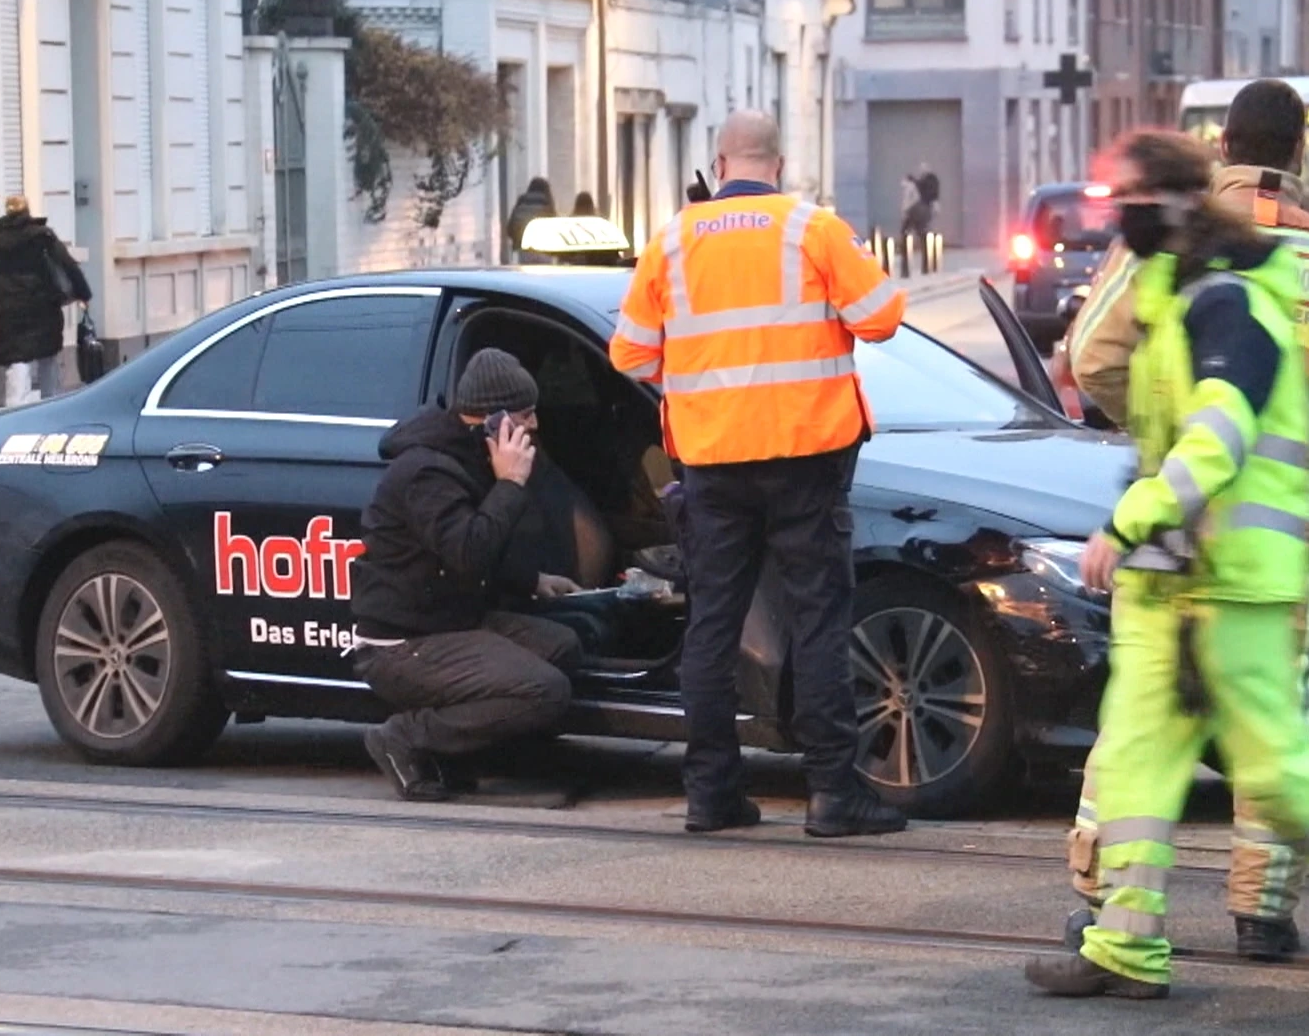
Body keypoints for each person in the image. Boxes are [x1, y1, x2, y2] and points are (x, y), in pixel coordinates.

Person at [1023, 129, 1309, 1004]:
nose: (1118, 217)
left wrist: (1132, 521)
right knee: (1137, 764)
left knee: (1281, 768)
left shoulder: (1227, 299)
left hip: (1236, 580)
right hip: (1177, 579)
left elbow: (1221, 431)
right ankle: (1124, 946)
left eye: (1131, 201)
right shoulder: (1176, 287)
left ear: (1175, 203)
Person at [609, 110, 909, 838]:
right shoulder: (813, 230)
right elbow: (882, 318)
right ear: (780, 162)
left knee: (712, 624)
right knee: (818, 620)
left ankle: (712, 794)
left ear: (719, 162)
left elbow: (630, 356)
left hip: (711, 465)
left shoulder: (673, 239)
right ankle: (833, 794)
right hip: (806, 459)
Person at [348, 348, 585, 801]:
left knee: (563, 646)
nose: (534, 425)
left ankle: (468, 751)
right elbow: (469, 553)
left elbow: (480, 549)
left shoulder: (471, 454)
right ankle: (405, 737)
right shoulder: (426, 472)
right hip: (404, 642)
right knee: (544, 690)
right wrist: (510, 485)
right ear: (493, 419)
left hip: (448, 619)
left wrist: (532, 581)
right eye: (525, 414)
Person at [0, 195, 90, 406]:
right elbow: (67, 265)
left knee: (18, 361)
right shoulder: (42, 237)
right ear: (27, 212)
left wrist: (7, 297)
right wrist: (83, 293)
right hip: (42, 308)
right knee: (48, 358)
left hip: (12, 312)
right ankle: (51, 407)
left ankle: (14, 410)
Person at [507, 178, 558, 264]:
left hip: (525, 251)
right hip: (545, 250)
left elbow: (510, 228)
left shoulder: (521, 202)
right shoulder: (548, 203)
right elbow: (556, 228)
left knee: (526, 276)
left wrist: (518, 240)